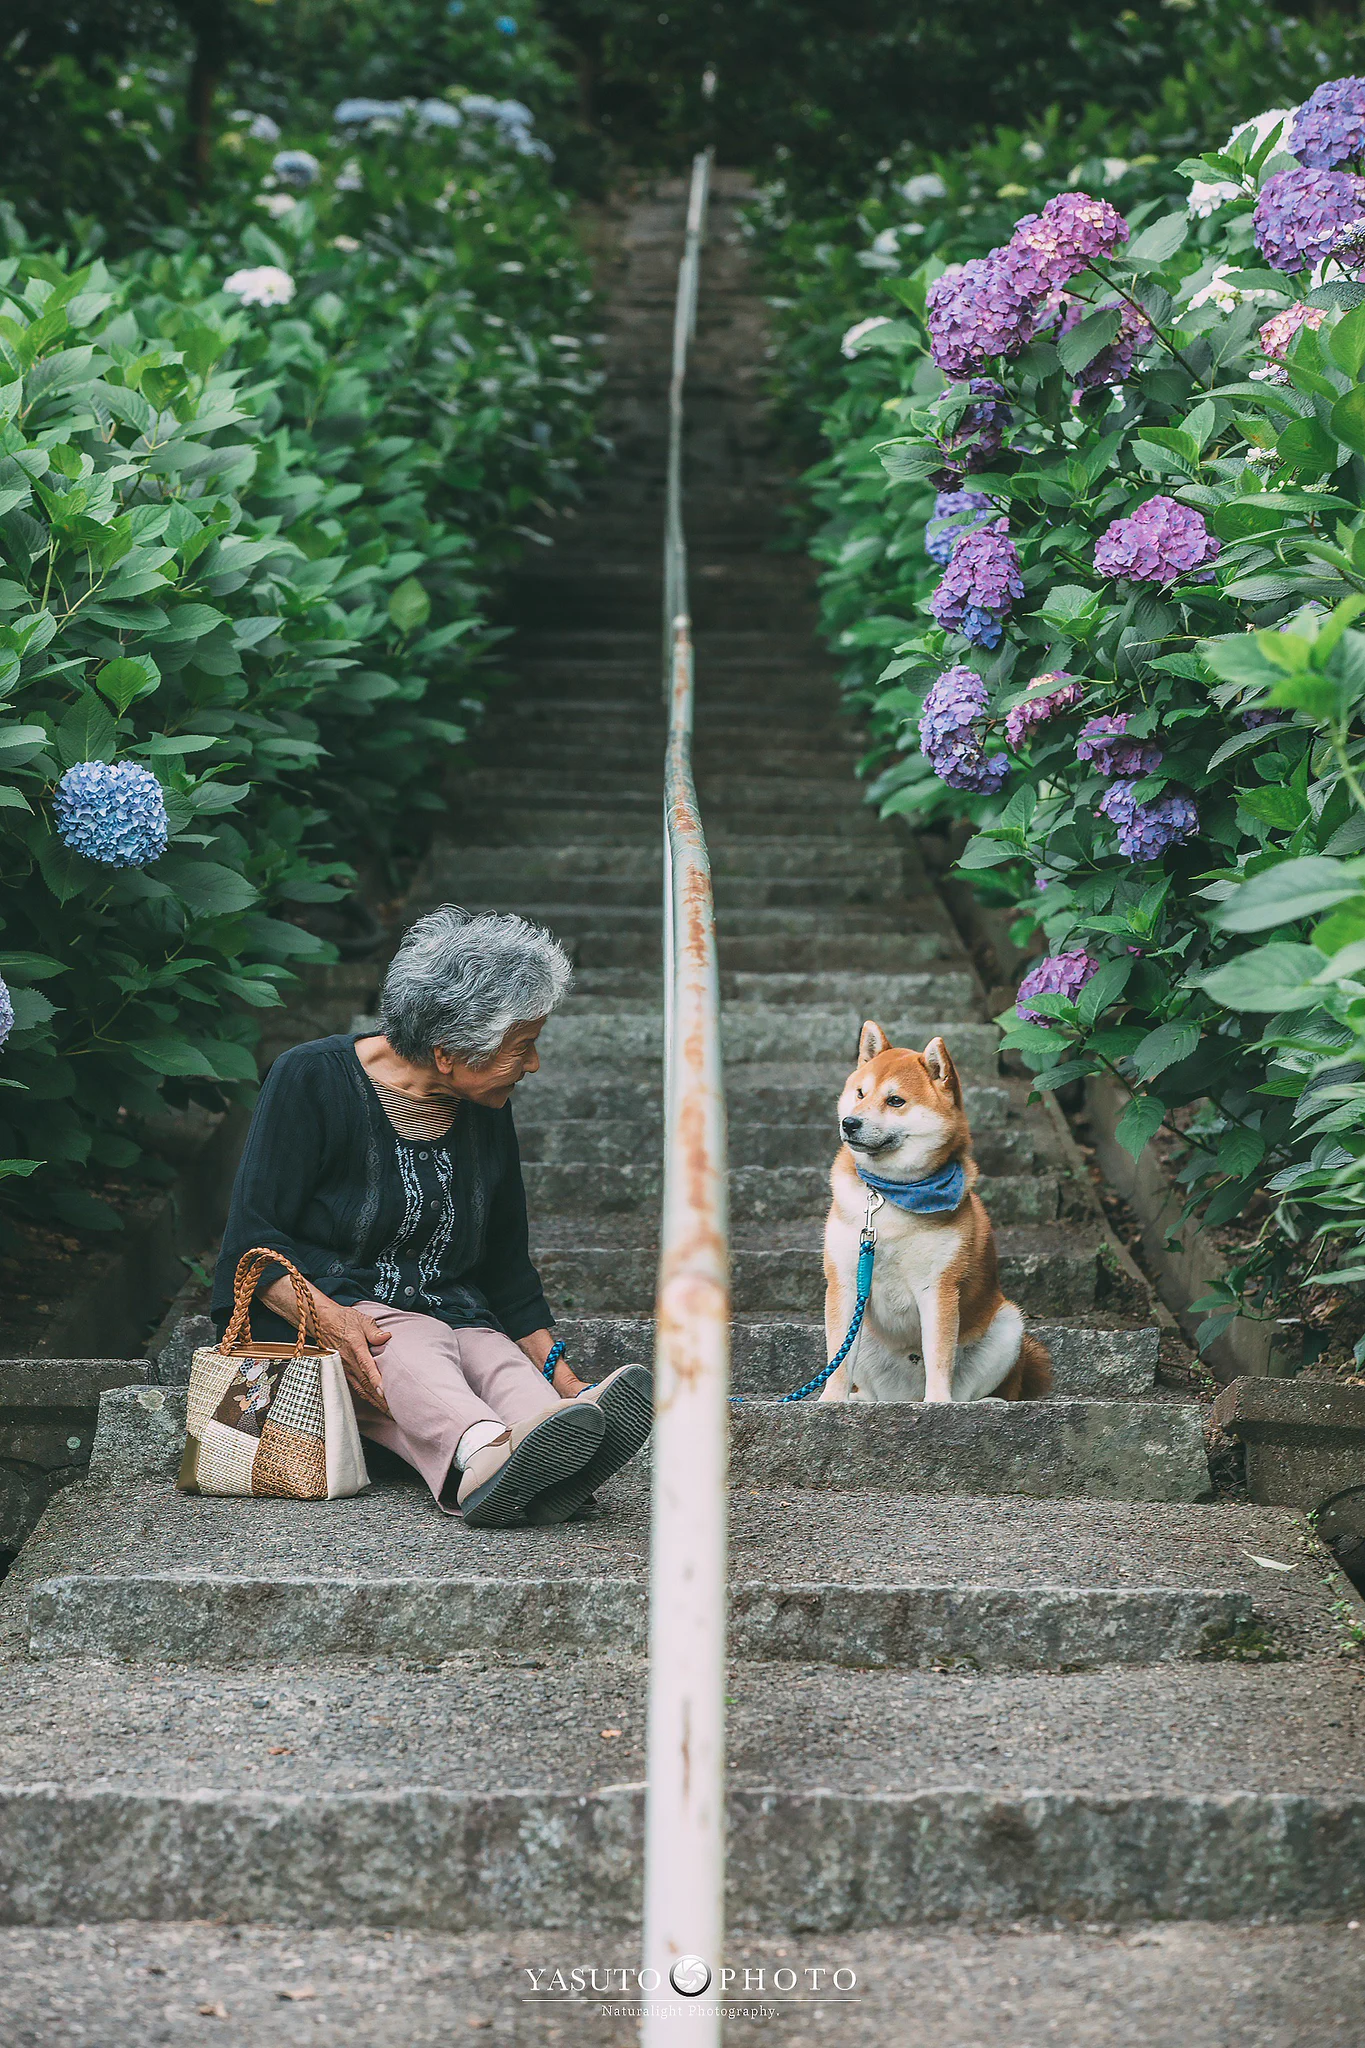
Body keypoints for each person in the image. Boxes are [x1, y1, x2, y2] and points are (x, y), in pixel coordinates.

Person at [211, 905, 652, 1526]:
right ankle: (482, 1456)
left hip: (450, 1312)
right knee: (414, 1343)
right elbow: (249, 1243)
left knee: (490, 1352)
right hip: (331, 1318)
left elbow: (505, 1268)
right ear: (448, 1054)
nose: (533, 1065)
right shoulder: (311, 1078)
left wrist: (568, 1383)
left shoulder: (486, 1105)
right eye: (522, 1048)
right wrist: (331, 1319)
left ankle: (556, 1439)